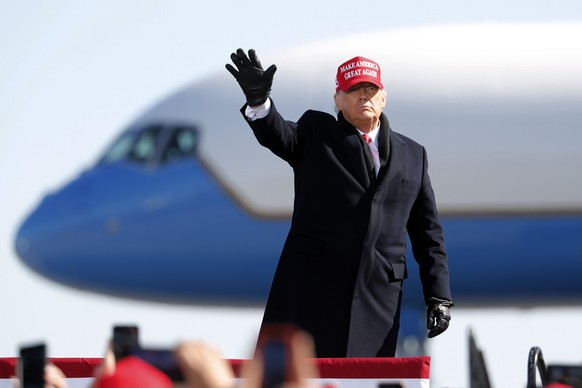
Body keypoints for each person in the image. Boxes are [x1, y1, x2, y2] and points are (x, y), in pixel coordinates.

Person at [226, 48, 453, 357]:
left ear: (383, 97)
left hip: (377, 302)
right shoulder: (316, 133)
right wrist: (259, 103)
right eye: (354, 89)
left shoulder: (413, 155)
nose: (364, 96)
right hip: (313, 294)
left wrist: (438, 296)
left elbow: (428, 234)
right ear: (338, 99)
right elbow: (278, 134)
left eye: (370, 89)